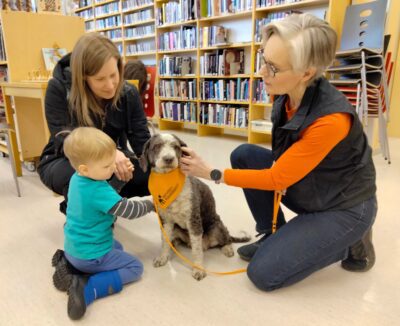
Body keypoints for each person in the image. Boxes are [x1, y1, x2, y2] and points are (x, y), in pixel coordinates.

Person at [179, 13, 377, 291]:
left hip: (344, 205)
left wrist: (211, 173)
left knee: (263, 274)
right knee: (245, 155)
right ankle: (273, 233)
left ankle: (350, 242)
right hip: (314, 183)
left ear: (306, 73)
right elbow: (282, 165)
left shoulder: (331, 120)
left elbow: (277, 179)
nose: (261, 72)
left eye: (272, 67)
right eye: (263, 58)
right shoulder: (288, 93)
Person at [37, 32, 151, 216]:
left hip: (112, 160)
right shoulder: (58, 89)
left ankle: (101, 203)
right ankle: (85, 219)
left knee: (155, 173)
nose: (110, 85)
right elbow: (66, 141)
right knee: (88, 179)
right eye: (100, 79)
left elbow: (143, 143)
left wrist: (167, 159)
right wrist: (109, 154)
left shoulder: (128, 92)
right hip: (65, 161)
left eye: (114, 75)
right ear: (83, 77)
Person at [53, 127, 154, 320]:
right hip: (91, 256)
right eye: (107, 166)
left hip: (75, 248)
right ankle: (88, 287)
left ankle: (71, 263)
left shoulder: (77, 179)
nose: (112, 168)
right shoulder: (97, 189)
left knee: (118, 246)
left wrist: (120, 180)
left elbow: (107, 199)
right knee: (135, 268)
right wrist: (151, 204)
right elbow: (129, 210)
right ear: (85, 168)